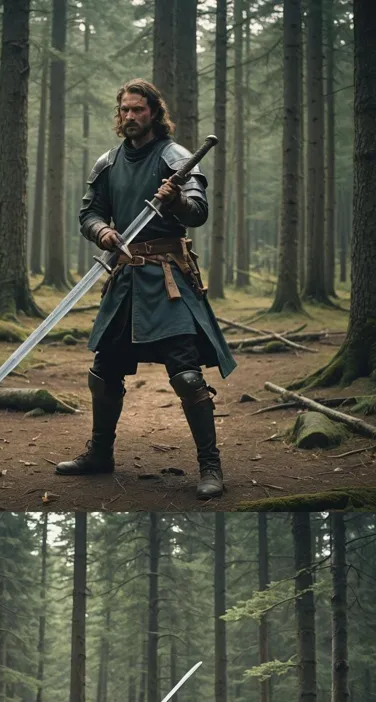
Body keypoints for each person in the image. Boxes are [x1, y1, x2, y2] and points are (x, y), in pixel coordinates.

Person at [56, 78, 236, 500]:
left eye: (139, 109)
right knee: (103, 371)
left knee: (188, 376)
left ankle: (211, 467)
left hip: (168, 279)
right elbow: (89, 213)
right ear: (118, 115)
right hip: (126, 277)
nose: (131, 117)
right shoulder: (108, 163)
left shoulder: (176, 157)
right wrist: (102, 232)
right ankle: (100, 454)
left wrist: (173, 201)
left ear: (155, 112)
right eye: (125, 110)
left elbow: (197, 213)